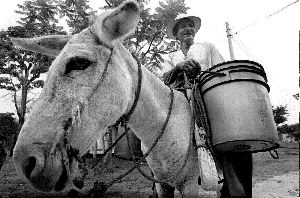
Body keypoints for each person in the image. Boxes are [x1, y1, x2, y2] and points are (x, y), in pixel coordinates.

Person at [161, 14, 253, 197]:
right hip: (180, 106)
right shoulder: (171, 57)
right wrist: (179, 68)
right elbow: (163, 81)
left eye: (190, 26)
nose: (188, 29)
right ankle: (162, 186)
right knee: (161, 143)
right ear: (176, 34)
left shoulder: (207, 48)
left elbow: (223, 71)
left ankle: (232, 183)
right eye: (183, 27)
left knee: (224, 144)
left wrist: (202, 75)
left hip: (208, 102)